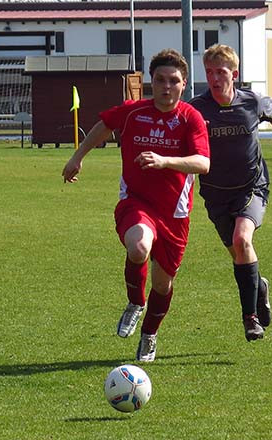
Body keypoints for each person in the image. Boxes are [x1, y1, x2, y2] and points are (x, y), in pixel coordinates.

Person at [61, 49, 210, 362]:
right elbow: (104, 125)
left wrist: (165, 161)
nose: (166, 87)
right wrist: (77, 157)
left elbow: (203, 163)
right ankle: (134, 303)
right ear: (149, 83)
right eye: (160, 80)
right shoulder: (133, 111)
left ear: (184, 85)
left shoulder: (190, 118)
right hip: (136, 202)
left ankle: (149, 334)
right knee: (139, 246)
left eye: (173, 81)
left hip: (175, 214)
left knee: (163, 284)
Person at [189, 44, 272, 342]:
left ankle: (250, 318)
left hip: (251, 187)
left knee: (242, 240)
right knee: (238, 253)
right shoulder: (196, 108)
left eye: (221, 72)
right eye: (210, 72)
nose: (214, 78)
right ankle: (259, 287)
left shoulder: (252, 102)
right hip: (214, 193)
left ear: (234, 74)